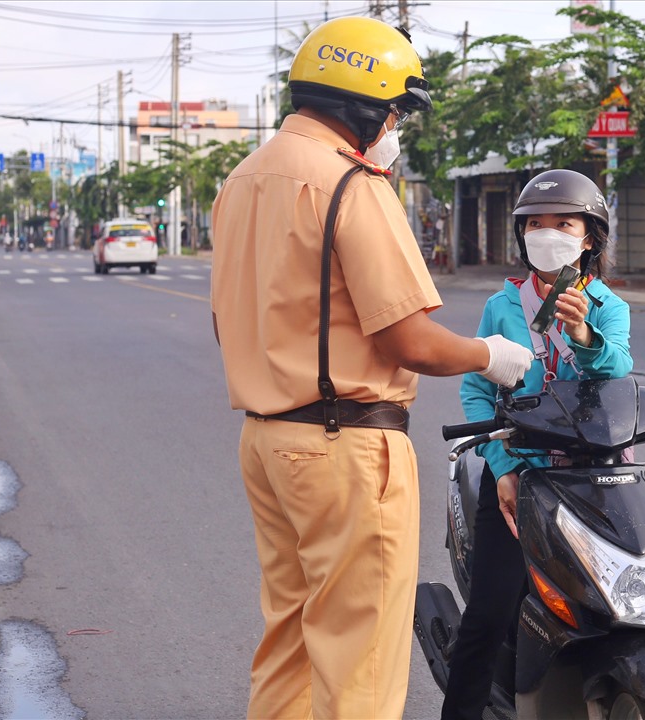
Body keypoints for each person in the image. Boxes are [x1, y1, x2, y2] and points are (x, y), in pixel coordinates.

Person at [209, 16, 533, 720]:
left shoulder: (240, 181)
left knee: (291, 642)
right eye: (393, 110)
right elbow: (409, 340)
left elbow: (223, 321)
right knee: (360, 659)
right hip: (344, 445)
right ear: (361, 104)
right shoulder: (352, 186)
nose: (394, 126)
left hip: (266, 441)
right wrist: (493, 356)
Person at [441, 169, 634, 720]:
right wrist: (500, 468)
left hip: (591, 473)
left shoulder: (607, 307)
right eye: (536, 224)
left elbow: (619, 368)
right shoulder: (503, 307)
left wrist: (585, 338)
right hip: (520, 473)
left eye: (564, 224)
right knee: (489, 613)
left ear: (589, 237)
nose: (548, 233)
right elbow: (477, 388)